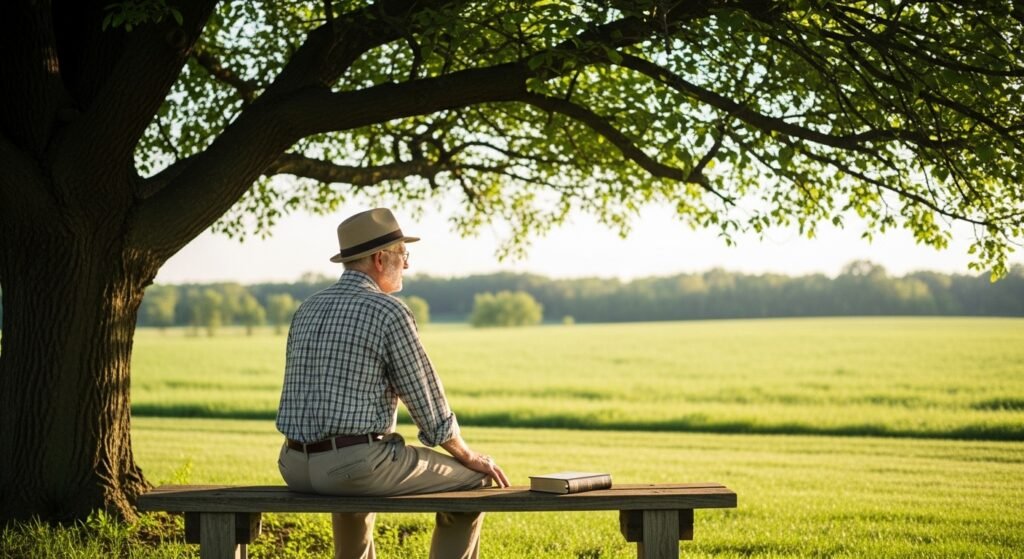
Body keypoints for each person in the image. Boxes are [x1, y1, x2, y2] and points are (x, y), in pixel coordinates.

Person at [276, 207, 509, 559]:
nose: (408, 265)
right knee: (473, 482)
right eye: (404, 254)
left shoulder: (308, 307)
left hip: (294, 467)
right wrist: (468, 455)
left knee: (352, 477)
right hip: (352, 468)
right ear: (381, 258)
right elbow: (427, 402)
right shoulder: (388, 311)